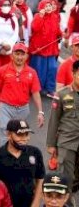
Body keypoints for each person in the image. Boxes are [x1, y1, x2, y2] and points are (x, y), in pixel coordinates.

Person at [0, 42, 44, 145]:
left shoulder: (32, 72)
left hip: (23, 110)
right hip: (5, 108)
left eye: (22, 54)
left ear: (27, 56)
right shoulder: (2, 70)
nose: (19, 57)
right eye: (17, 54)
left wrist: (40, 112)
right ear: (12, 55)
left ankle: (17, 157)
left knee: (20, 135)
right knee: (5, 133)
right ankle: (4, 158)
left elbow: (35, 93)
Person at [0, 119, 44, 207]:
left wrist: (36, 203)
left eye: (26, 134)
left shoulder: (35, 152)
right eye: (19, 135)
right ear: (8, 134)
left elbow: (40, 179)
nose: (24, 138)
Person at [46, 60, 79, 193]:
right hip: (67, 141)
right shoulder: (62, 94)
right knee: (66, 177)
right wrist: (51, 144)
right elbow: (54, 120)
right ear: (73, 74)